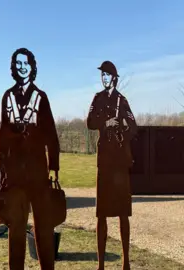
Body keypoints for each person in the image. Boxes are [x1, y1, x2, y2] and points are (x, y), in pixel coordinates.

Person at [0, 48, 60, 270]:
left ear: (32, 67)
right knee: (16, 229)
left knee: (43, 227)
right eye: (18, 63)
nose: (22, 67)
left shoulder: (40, 98)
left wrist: (53, 166)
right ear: (13, 68)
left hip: (38, 174)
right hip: (15, 175)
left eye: (26, 63)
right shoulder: (7, 97)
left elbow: (51, 133)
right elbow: (2, 137)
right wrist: (3, 170)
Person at [87, 60, 137, 270]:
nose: (104, 78)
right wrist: (105, 123)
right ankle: (100, 265)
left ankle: (126, 262)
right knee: (102, 213)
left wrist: (123, 129)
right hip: (104, 163)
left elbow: (134, 126)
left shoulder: (122, 101)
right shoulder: (97, 99)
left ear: (114, 78)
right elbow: (90, 122)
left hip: (120, 162)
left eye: (107, 75)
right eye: (102, 76)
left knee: (123, 213)